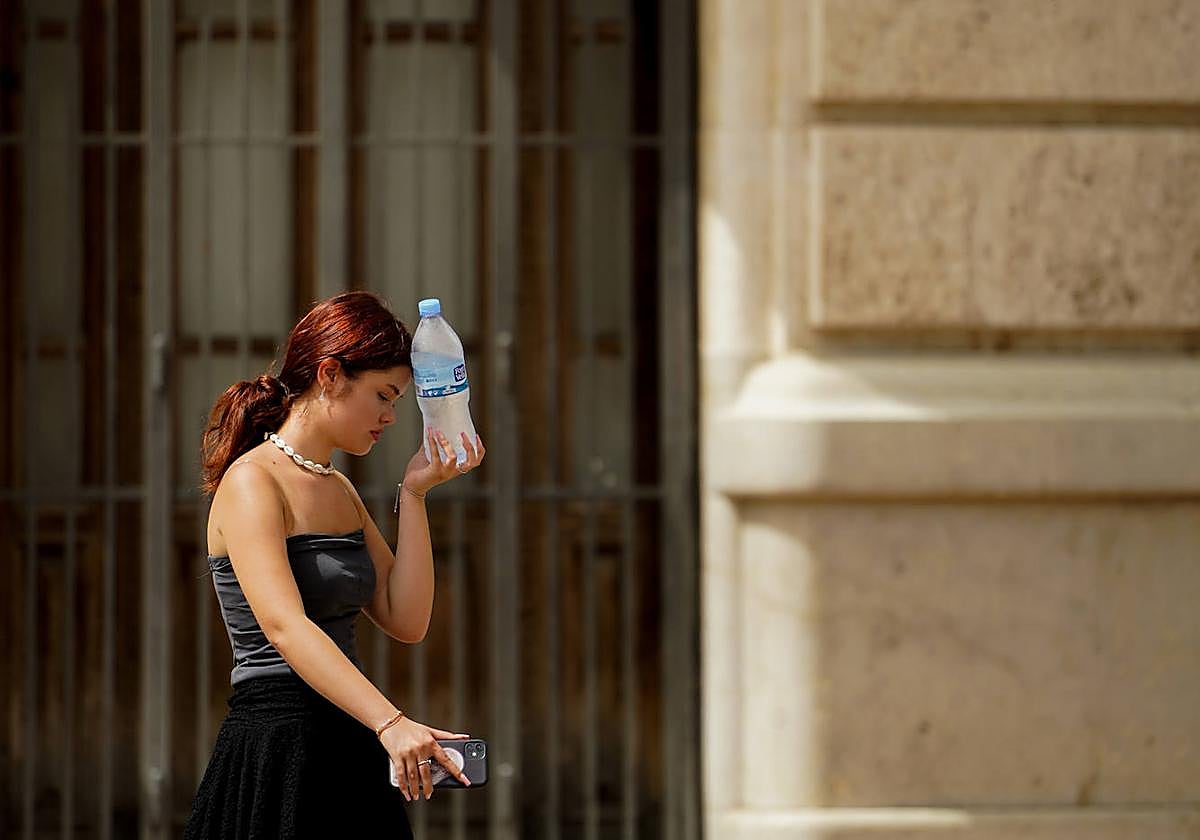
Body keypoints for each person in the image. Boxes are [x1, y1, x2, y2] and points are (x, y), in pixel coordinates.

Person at [183, 290, 484, 839]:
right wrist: (391, 722)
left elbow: (406, 618)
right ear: (329, 375)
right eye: (383, 396)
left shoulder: (338, 488)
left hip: (349, 737)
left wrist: (414, 495)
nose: (392, 416)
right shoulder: (253, 480)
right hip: (277, 746)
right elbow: (284, 625)